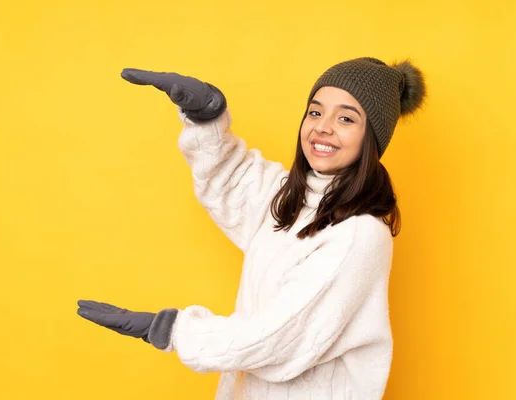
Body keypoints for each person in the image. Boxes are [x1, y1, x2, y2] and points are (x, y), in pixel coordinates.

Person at [77, 56, 426, 399]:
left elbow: (275, 337)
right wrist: (206, 116)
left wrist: (170, 329)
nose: (322, 126)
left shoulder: (359, 235)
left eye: (346, 118)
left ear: (371, 139)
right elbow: (233, 182)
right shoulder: (291, 199)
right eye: (315, 111)